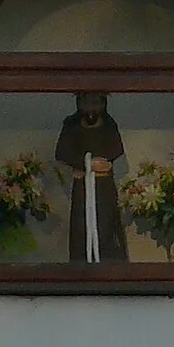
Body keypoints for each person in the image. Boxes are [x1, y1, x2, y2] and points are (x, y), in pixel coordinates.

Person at [54, 90, 127, 263]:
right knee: (81, 227)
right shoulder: (71, 124)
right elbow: (62, 152)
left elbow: (116, 149)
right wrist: (86, 163)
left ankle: (108, 267)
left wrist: (99, 164)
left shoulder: (109, 124)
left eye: (95, 103)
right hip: (82, 186)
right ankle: (80, 268)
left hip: (104, 186)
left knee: (106, 226)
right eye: (86, 103)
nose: (90, 108)